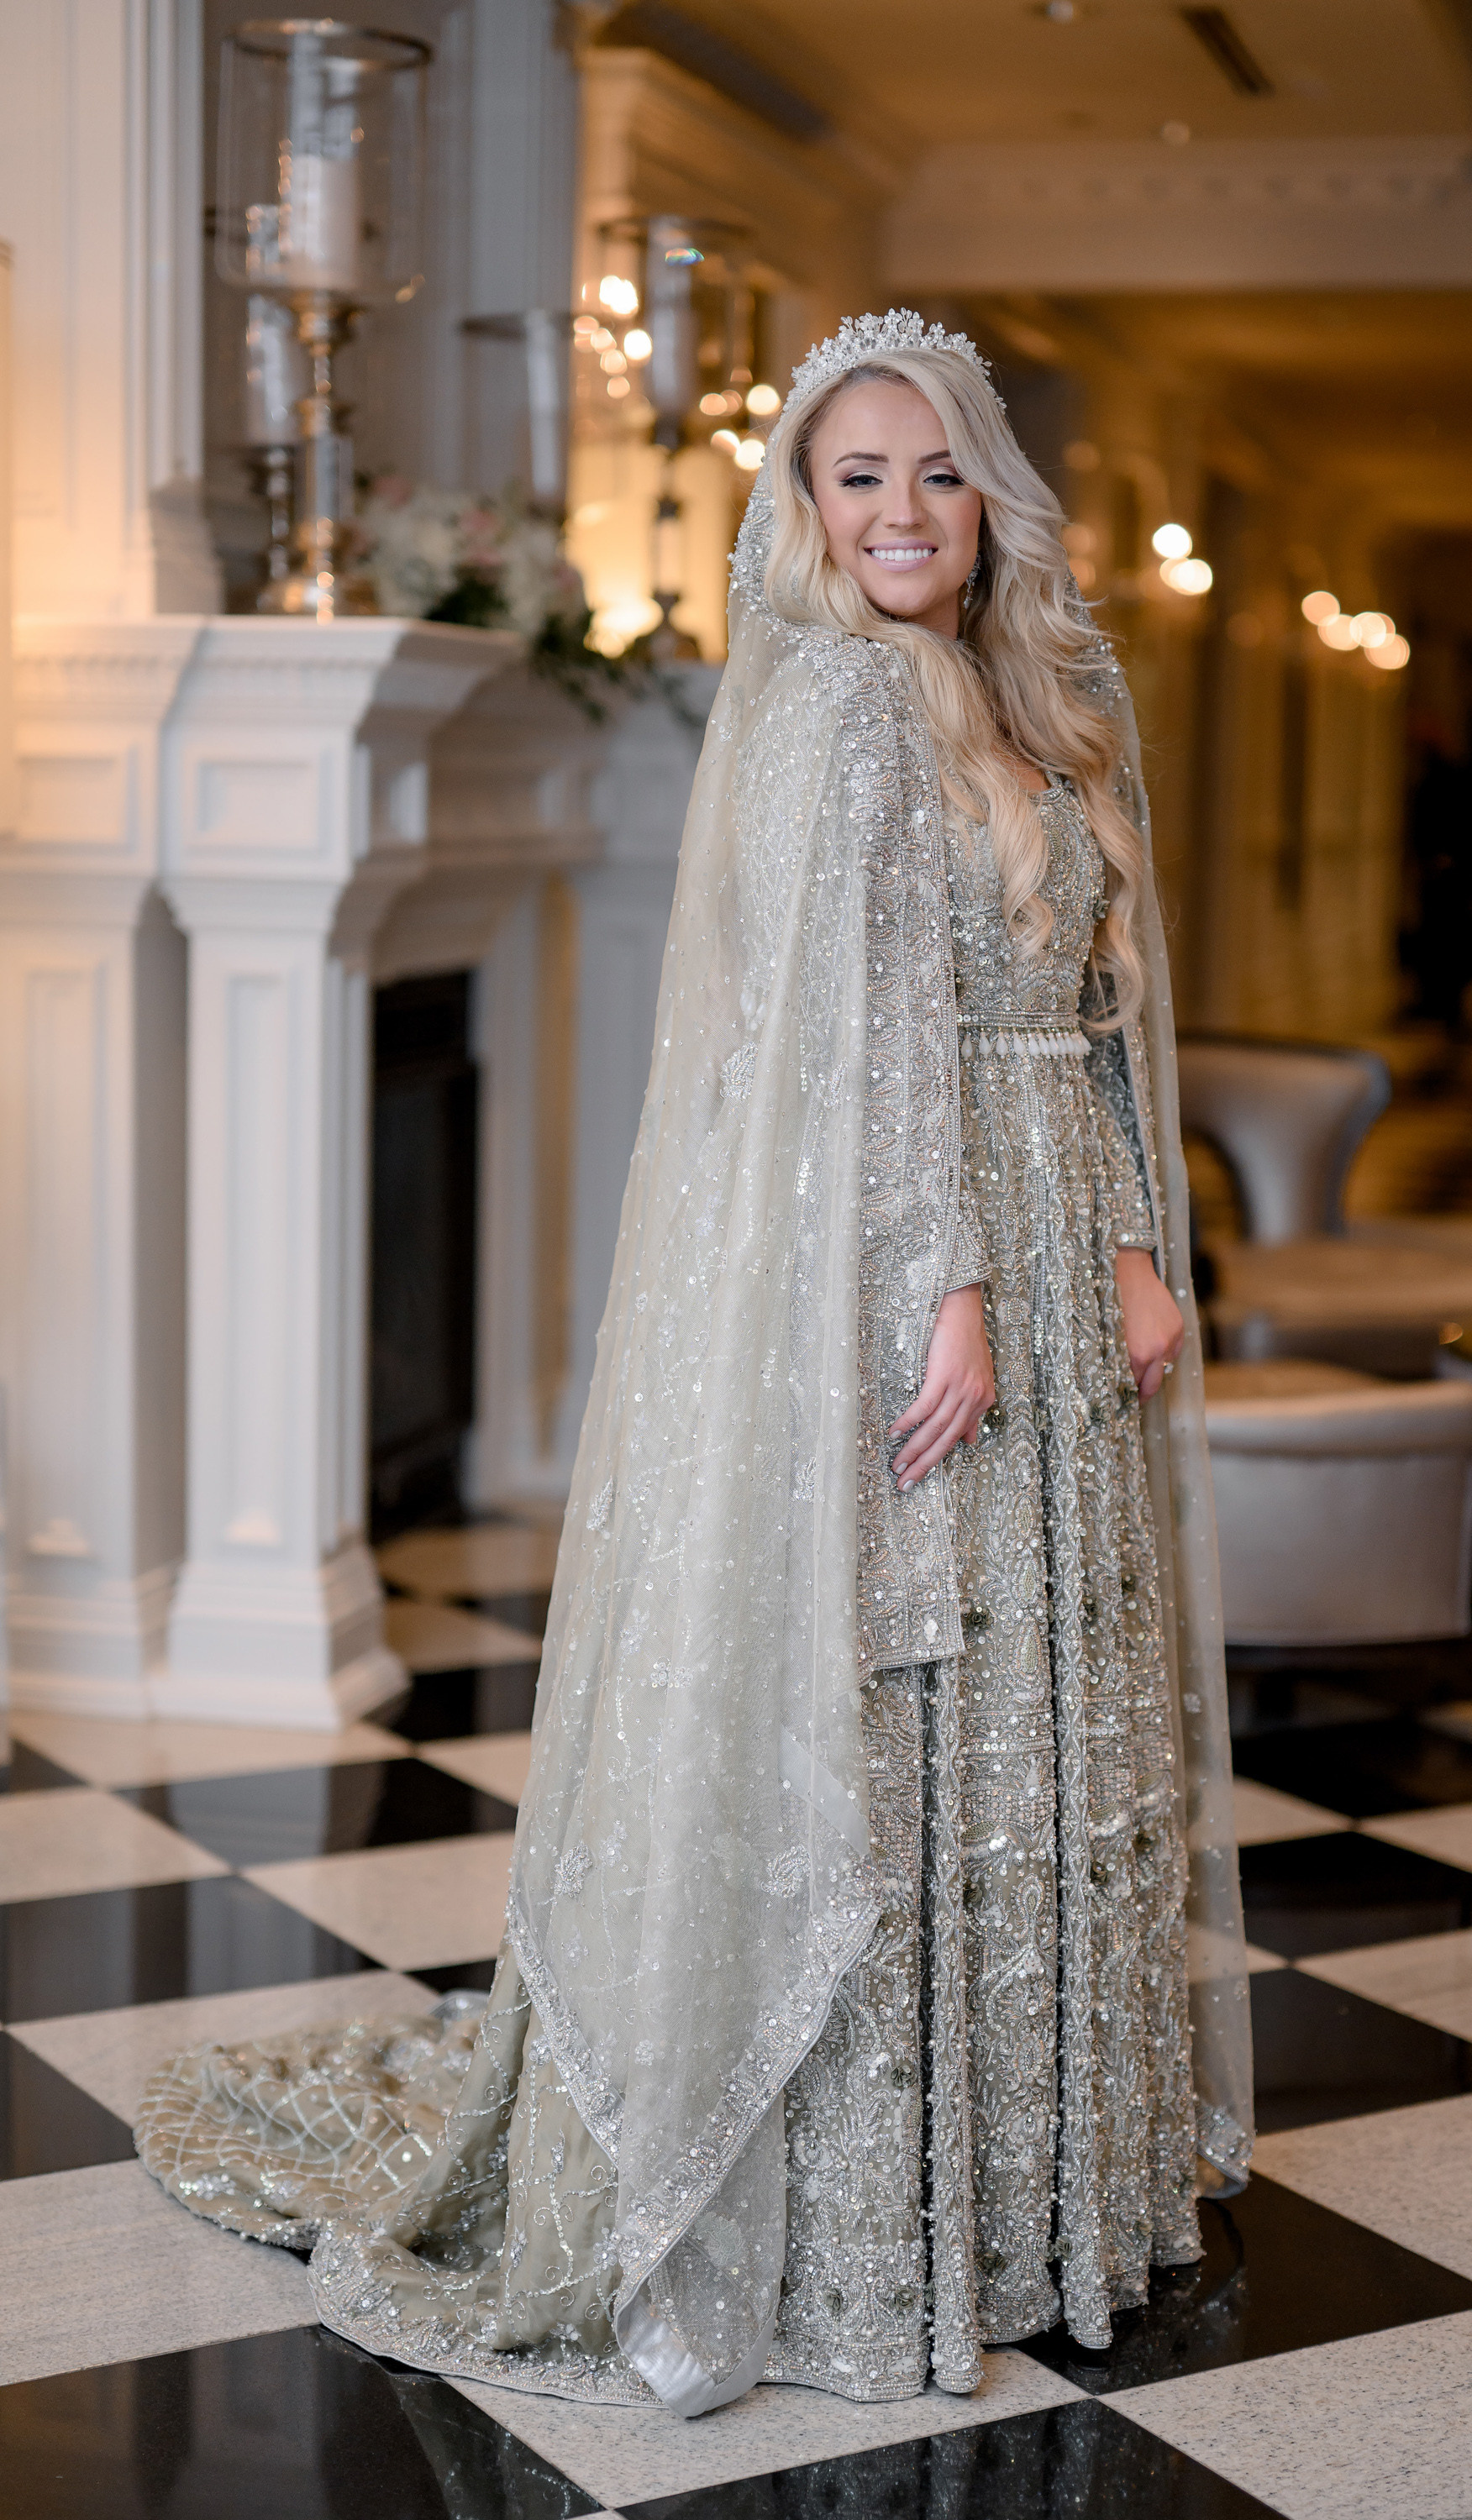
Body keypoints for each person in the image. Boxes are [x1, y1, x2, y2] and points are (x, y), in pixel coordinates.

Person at [139, 311, 1252, 2418]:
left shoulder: (1046, 696)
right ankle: (865, 2211)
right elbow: (843, 1029)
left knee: (1051, 1685)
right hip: (907, 1253)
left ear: (987, 493)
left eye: (933, 474)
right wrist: (946, 1281)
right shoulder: (829, 702)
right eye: (858, 478)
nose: (901, 514)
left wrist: (1123, 1239)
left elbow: (1091, 1000)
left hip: (1050, 1227)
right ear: (806, 508)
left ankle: (1035, 2194)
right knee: (923, 1693)